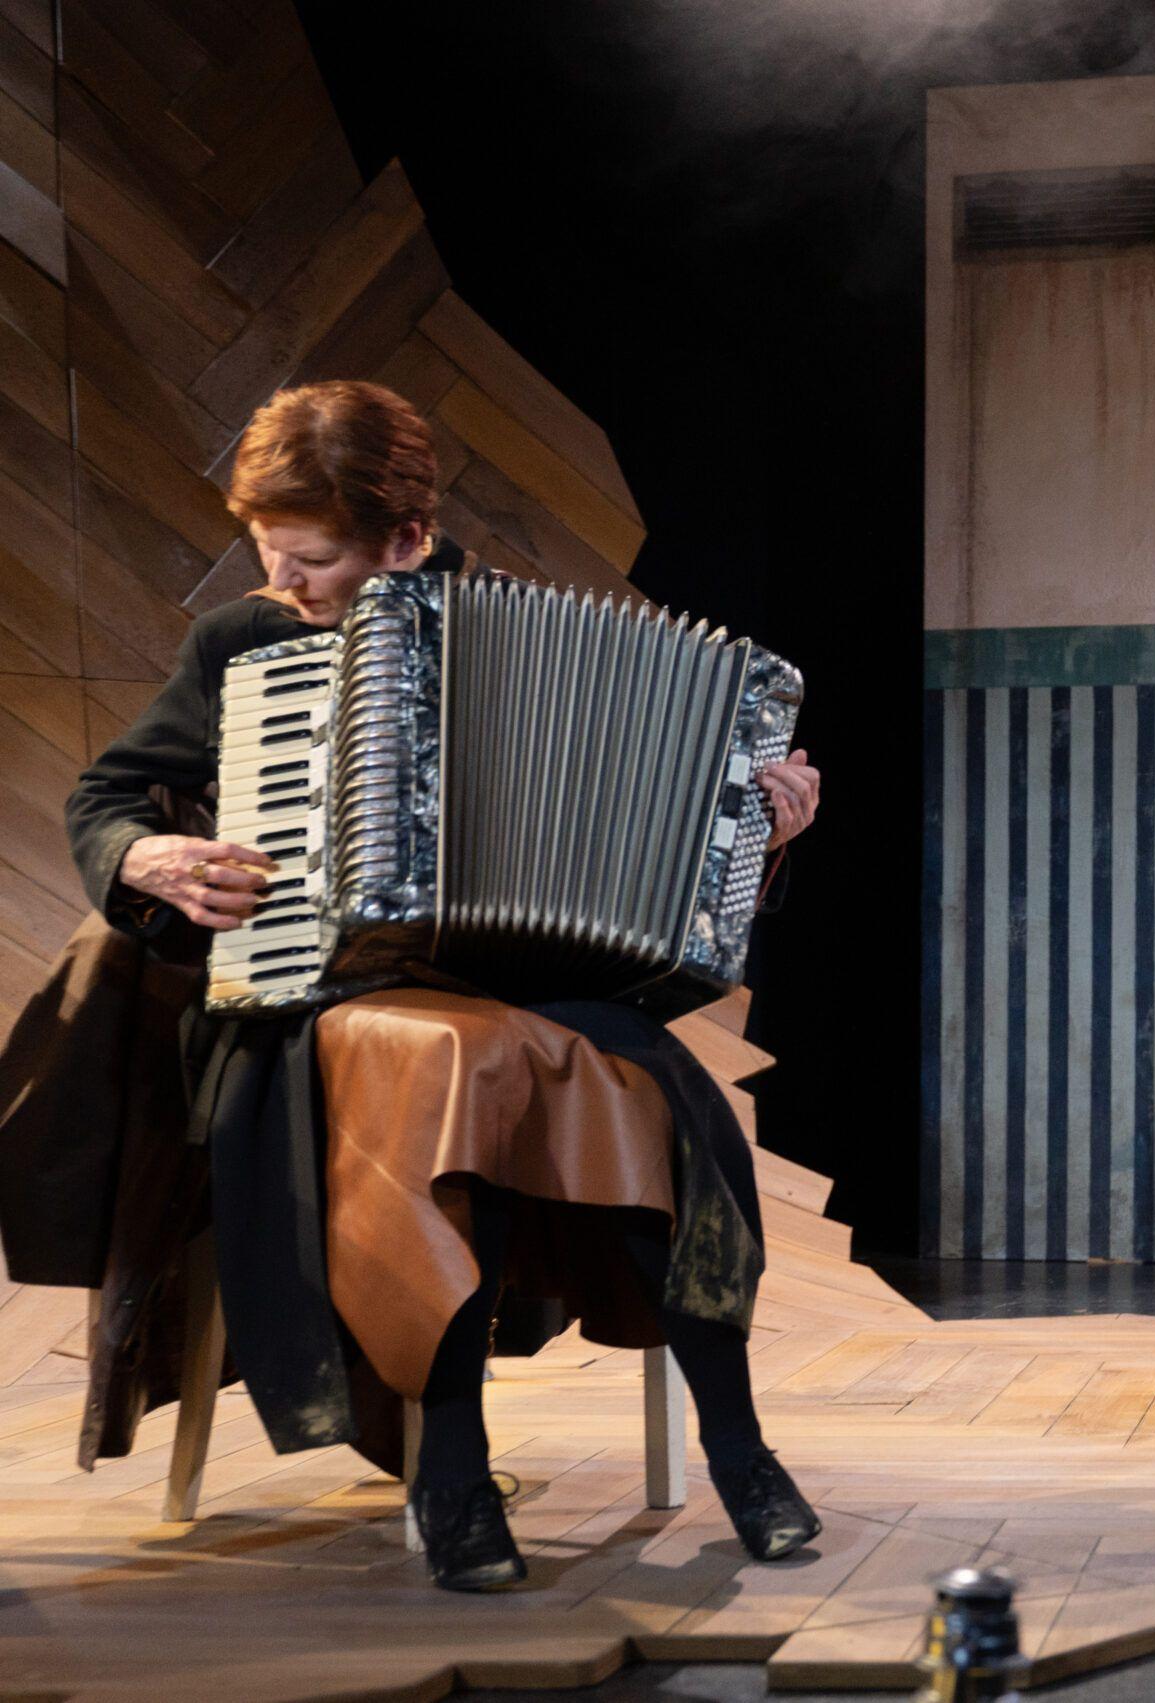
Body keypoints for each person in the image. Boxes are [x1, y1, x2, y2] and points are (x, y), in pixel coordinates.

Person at [40, 380, 824, 1587]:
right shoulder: (246, 646)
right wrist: (144, 854)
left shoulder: (508, 625)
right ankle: (449, 1468)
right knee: (455, 1087)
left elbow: (659, 877)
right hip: (322, 991)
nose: (284, 585)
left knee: (663, 1094)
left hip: (523, 977)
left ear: (405, 539)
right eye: (270, 554)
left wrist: (758, 836)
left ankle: (742, 1446)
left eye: (312, 562)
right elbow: (103, 798)